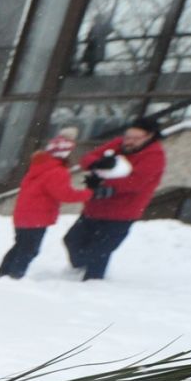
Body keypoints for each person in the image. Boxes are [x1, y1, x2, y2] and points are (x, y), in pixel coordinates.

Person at [66, 115, 167, 281]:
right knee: (72, 241)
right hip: (94, 209)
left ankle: (91, 285)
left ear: (149, 137)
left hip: (121, 214)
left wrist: (104, 185)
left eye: (135, 138)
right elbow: (88, 158)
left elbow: (135, 183)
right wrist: (97, 164)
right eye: (128, 136)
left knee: (100, 251)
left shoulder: (154, 156)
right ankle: (78, 269)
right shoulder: (119, 144)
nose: (129, 141)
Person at [0, 127, 92, 279]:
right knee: (29, 249)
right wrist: (89, 193)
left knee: (20, 245)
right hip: (37, 217)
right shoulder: (57, 172)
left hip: (23, 214)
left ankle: (4, 271)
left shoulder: (38, 166)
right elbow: (64, 194)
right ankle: (15, 275)